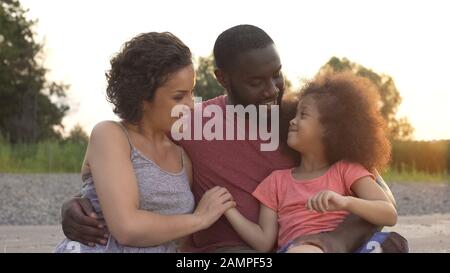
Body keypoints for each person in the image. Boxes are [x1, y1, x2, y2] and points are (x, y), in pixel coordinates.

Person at [60, 25, 407, 253]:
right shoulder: (190, 121)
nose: (272, 90)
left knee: (393, 245)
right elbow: (134, 149)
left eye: (277, 75)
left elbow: (376, 189)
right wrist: (77, 204)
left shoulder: (300, 120)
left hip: (300, 246)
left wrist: (336, 239)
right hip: (225, 253)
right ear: (223, 78)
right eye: (256, 82)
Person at [55, 32, 235, 253]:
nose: (190, 105)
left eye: (191, 92)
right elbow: (126, 228)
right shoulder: (111, 135)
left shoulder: (181, 154)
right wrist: (200, 218)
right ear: (142, 96)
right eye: (178, 96)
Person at [224, 72, 398, 253]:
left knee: (388, 245)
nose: (292, 120)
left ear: (329, 129)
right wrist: (229, 211)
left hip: (345, 248)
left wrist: (345, 202)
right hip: (297, 249)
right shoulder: (275, 182)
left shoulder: (346, 170)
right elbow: (263, 242)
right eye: (295, 114)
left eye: (303, 115)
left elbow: (388, 214)